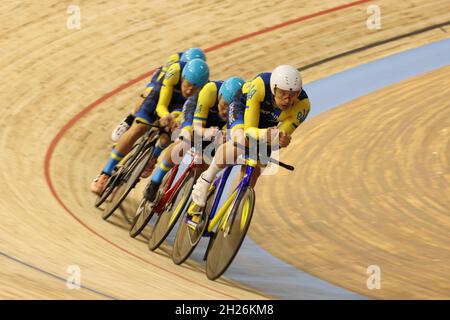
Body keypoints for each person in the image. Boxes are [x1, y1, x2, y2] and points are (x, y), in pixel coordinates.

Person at [190, 65, 311, 208]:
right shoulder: (260, 85)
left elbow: (275, 139)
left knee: (256, 166)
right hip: (242, 109)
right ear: (274, 89)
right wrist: (267, 135)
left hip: (264, 125)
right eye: (282, 93)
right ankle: (205, 179)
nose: (287, 100)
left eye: (293, 94)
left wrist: (281, 139)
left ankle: (235, 207)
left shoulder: (303, 106)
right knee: (240, 141)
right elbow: (249, 131)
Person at [90, 58, 210, 195]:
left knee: (170, 134)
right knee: (139, 127)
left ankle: (154, 155)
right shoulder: (175, 71)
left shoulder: (203, 92)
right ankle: (105, 173)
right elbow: (161, 105)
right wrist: (165, 115)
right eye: (187, 84)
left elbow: (187, 114)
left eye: (194, 88)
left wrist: (175, 121)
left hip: (180, 107)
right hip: (160, 98)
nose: (189, 90)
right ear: (183, 77)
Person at [143, 76, 246, 202]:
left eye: (228, 108)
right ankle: (155, 180)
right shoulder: (210, 91)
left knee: (207, 160)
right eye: (224, 105)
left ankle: (183, 200)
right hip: (195, 113)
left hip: (216, 126)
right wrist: (207, 132)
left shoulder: (240, 109)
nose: (225, 111)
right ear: (219, 96)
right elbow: (197, 128)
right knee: (185, 140)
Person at [111, 48, 206, 141]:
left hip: (182, 92)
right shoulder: (174, 60)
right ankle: (129, 119)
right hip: (164, 82)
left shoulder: (198, 79)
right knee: (149, 93)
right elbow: (159, 84)